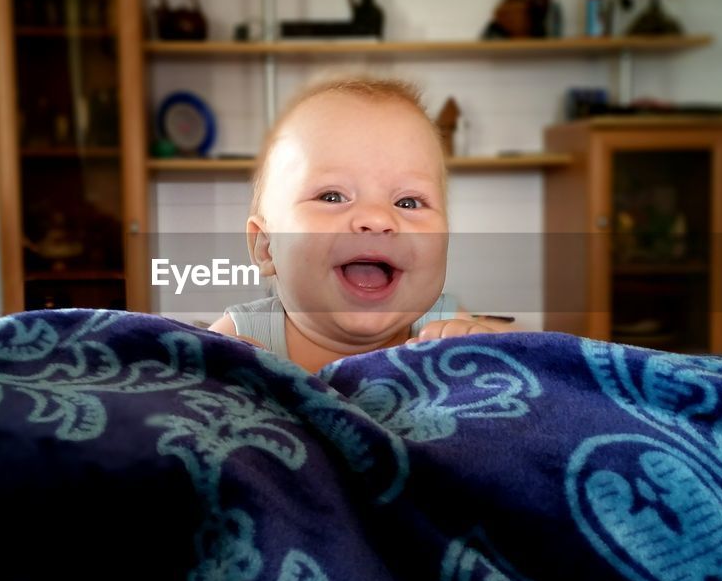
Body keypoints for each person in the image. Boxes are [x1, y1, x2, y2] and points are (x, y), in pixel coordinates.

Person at [207, 74, 511, 372]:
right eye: (332, 196)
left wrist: (484, 354)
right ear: (266, 247)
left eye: (408, 203)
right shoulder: (237, 338)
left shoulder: (445, 329)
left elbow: (524, 387)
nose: (377, 218)